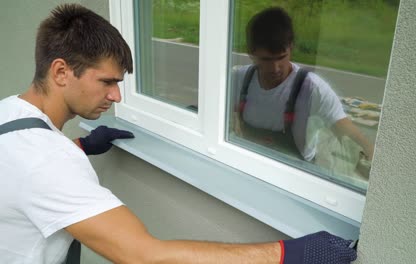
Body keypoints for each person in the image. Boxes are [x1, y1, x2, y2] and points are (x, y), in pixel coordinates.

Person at [0, 4, 357, 264]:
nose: (116, 96)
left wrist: (81, 145)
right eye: (107, 82)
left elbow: (26, 174)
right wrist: (284, 254)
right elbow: (144, 255)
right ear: (61, 71)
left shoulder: (10, 112)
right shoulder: (49, 163)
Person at [233, 7, 374, 163]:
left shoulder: (312, 89)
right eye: (266, 59)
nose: (275, 68)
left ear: (291, 47)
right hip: (250, 165)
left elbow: (349, 133)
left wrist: (370, 153)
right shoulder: (239, 79)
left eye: (281, 57)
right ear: (250, 53)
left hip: (296, 175)